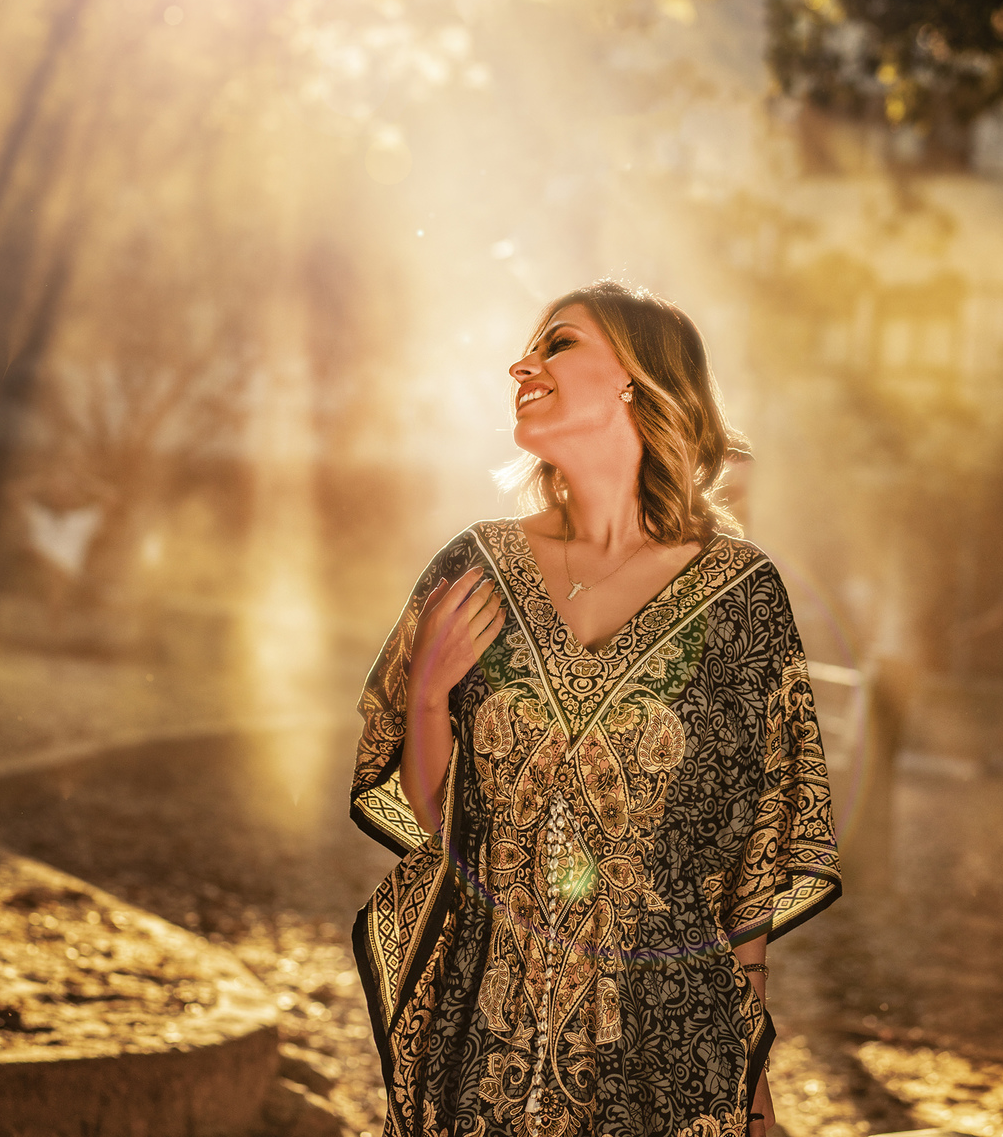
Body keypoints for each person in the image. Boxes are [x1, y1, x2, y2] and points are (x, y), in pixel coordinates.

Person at [351, 281, 841, 1137]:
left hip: (666, 1050)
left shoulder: (741, 595)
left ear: (637, 379)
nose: (522, 363)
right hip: (485, 1043)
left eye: (559, 343)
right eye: (529, 346)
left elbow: (751, 859)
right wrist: (429, 694)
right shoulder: (475, 565)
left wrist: (753, 1092)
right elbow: (446, 835)